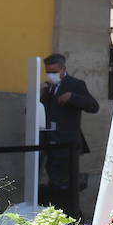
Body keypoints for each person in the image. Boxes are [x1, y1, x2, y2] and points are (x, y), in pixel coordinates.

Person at [40, 53, 98, 212]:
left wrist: (72, 97)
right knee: (54, 183)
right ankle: (56, 214)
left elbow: (93, 106)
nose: (51, 75)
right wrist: (42, 95)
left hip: (67, 144)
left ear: (63, 69)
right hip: (49, 143)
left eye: (54, 71)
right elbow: (36, 112)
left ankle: (71, 216)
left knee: (66, 186)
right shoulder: (48, 88)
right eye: (48, 71)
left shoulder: (75, 85)